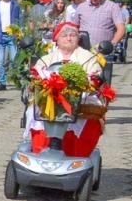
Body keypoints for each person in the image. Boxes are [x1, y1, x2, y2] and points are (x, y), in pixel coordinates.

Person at [25, 20, 104, 156]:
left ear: (78, 38)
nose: (69, 38)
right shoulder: (46, 58)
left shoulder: (89, 58)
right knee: (34, 110)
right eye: (64, 35)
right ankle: (40, 151)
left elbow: (95, 78)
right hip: (50, 99)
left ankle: (77, 155)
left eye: (73, 35)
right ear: (56, 39)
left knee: (90, 114)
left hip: (81, 100)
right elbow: (35, 77)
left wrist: (85, 82)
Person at [74, 0, 126, 87]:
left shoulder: (112, 7)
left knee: (101, 87)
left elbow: (121, 29)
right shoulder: (81, 7)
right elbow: (73, 27)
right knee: (80, 85)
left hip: (103, 54)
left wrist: (112, 44)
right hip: (83, 53)